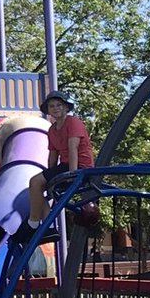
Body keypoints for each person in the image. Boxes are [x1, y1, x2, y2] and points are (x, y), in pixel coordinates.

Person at [29, 89, 95, 229]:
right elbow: (53, 155)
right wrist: (48, 177)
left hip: (80, 166)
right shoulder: (52, 130)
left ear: (66, 107)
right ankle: (48, 226)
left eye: (59, 105)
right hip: (65, 165)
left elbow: (73, 149)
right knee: (38, 186)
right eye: (52, 106)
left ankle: (33, 223)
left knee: (34, 181)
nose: (56, 108)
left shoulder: (73, 122)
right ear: (48, 110)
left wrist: (73, 174)